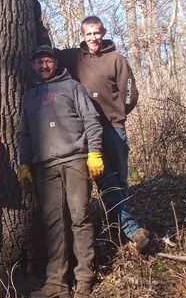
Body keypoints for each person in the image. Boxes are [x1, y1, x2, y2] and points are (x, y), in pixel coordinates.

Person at [18, 45, 104, 298]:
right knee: (53, 224)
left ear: (55, 62)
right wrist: (24, 164)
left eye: (48, 61)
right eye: (39, 62)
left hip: (76, 160)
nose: (44, 66)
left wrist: (95, 153)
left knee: (80, 218)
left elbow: (91, 120)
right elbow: (24, 134)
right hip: (45, 167)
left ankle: (85, 280)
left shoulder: (72, 87)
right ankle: (56, 283)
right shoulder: (29, 96)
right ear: (33, 65)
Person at [60, 17, 150, 252]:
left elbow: (130, 93)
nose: (93, 38)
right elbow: (46, 54)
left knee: (119, 182)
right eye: (89, 34)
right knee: (105, 180)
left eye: (97, 33)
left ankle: (118, 233)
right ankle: (131, 231)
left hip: (114, 129)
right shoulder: (73, 58)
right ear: (82, 34)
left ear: (103, 33)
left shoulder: (116, 59)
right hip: (89, 132)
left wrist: (118, 111)